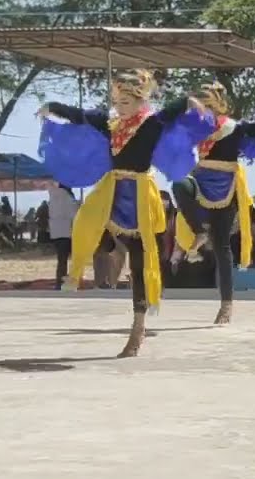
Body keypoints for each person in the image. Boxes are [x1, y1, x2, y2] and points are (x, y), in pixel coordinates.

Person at [37, 69, 215, 357]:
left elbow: (171, 111)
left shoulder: (150, 124)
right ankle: (85, 265)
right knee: (86, 223)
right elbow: (82, 115)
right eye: (116, 101)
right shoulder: (111, 123)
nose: (119, 107)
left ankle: (138, 326)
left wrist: (189, 101)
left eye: (126, 102)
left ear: (140, 100)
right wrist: (54, 108)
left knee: (140, 264)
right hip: (113, 191)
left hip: (141, 197)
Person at [170, 82, 255, 325]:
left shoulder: (233, 128)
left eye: (206, 106)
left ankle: (226, 305)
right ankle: (199, 232)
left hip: (225, 187)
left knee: (222, 249)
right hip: (199, 181)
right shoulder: (195, 130)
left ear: (217, 106)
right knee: (179, 184)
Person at [47, 184, 79, 290]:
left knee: (61, 260)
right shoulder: (67, 198)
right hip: (67, 231)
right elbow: (73, 215)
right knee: (74, 259)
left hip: (56, 232)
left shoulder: (53, 197)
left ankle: (59, 282)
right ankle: (70, 282)